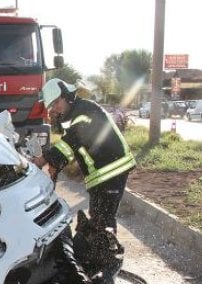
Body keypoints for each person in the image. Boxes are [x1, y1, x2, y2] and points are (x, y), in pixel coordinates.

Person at [32, 78, 136, 235]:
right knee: (99, 215)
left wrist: (42, 160)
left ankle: (107, 252)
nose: (54, 109)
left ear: (66, 96)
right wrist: (56, 164)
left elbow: (69, 143)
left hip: (112, 170)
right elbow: (73, 146)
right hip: (104, 171)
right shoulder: (79, 112)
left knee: (103, 217)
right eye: (52, 106)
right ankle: (104, 248)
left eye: (56, 103)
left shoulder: (85, 113)